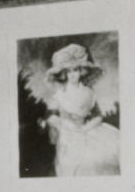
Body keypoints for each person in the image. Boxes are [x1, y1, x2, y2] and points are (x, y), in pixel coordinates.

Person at [38, 42, 120, 177]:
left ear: (81, 71)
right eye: (68, 71)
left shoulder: (89, 92)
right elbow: (50, 116)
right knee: (75, 160)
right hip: (68, 132)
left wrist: (86, 128)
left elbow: (98, 115)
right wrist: (65, 125)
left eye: (75, 70)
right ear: (64, 73)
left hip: (88, 129)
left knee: (107, 151)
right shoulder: (60, 94)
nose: (72, 75)